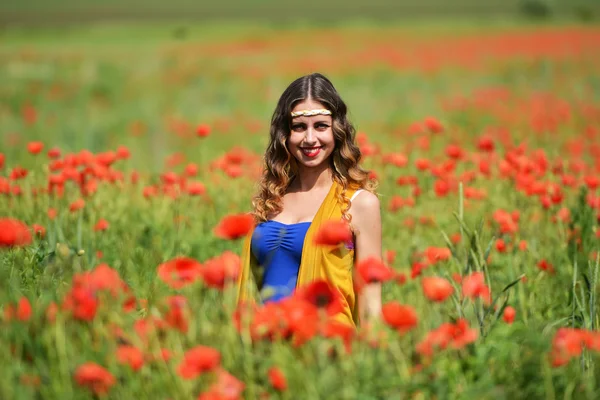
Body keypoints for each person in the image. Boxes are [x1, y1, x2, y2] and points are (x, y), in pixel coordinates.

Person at [236, 73, 382, 327]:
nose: (310, 139)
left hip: (325, 350)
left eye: (321, 126)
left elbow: (371, 300)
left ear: (337, 131)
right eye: (299, 127)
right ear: (285, 134)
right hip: (264, 347)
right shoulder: (270, 200)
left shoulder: (359, 204)